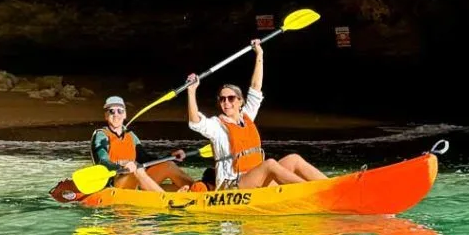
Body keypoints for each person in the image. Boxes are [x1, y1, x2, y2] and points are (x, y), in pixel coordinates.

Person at [186, 40, 327, 189]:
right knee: (270, 164)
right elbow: (195, 121)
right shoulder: (217, 126)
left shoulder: (247, 116)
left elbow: (255, 87)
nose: (226, 102)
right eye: (222, 99)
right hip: (232, 186)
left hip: (255, 179)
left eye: (231, 98)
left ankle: (330, 186)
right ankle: (312, 191)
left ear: (240, 101)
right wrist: (191, 90)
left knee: (294, 159)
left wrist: (259, 54)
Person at [90, 95, 196, 192]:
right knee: (137, 168)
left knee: (168, 165)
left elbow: (145, 158)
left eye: (120, 111)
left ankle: (198, 189)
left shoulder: (130, 135)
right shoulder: (101, 135)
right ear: (106, 115)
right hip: (116, 182)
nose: (116, 115)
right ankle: (166, 199)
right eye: (111, 111)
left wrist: (170, 156)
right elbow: (102, 161)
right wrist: (121, 164)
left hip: (136, 179)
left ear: (125, 114)